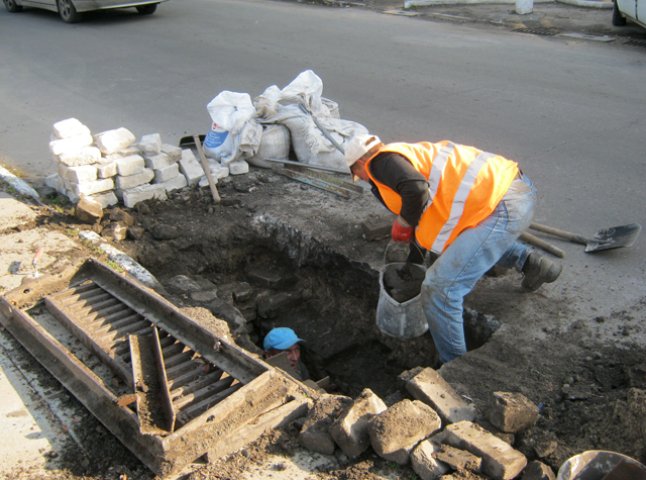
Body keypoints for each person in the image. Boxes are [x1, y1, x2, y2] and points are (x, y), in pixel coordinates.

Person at [344, 134, 562, 364]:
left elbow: (416, 190)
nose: (361, 179)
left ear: (359, 163)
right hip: (508, 194)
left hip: (504, 206)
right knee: (461, 246)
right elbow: (424, 212)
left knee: (441, 288)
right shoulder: (406, 156)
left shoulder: (379, 162)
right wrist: (413, 258)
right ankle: (532, 264)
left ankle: (454, 366)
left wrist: (403, 223)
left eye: (356, 174)